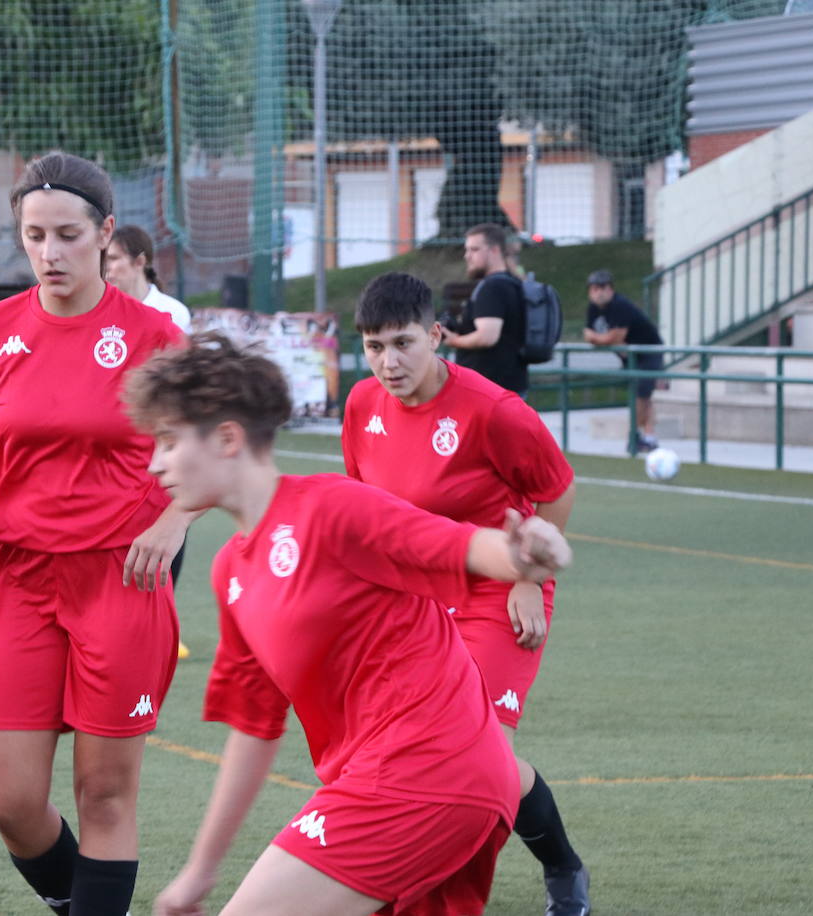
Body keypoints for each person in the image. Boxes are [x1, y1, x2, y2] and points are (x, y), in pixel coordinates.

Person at [126, 334, 573, 916]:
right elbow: (255, 729)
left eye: (168, 441)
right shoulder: (231, 570)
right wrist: (199, 871)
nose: (154, 462)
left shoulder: (332, 508)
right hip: (401, 781)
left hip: (426, 773)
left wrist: (523, 557)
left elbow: (457, 545)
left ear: (228, 438)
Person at [0, 151, 192, 916]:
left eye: (68, 234)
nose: (49, 253)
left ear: (105, 233)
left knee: (104, 792)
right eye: (34, 235)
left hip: (120, 578)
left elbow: (211, 448)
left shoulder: (154, 339)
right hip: (17, 579)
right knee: (8, 799)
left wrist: (175, 522)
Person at [342, 273, 590, 916]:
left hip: (496, 594)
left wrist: (531, 581)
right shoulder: (362, 406)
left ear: (436, 335)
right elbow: (368, 509)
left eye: (403, 343)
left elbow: (557, 491)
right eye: (373, 347)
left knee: (477, 755)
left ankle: (561, 866)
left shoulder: (495, 410)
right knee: (405, 751)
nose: (389, 363)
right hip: (410, 602)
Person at [104, 223, 194, 659]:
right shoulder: (107, 310)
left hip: (158, 449)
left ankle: (157, 629)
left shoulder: (169, 315)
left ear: (140, 261)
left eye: (115, 260)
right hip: (123, 457)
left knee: (161, 536)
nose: (108, 270)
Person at [583, 268, 665, 454]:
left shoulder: (620, 305)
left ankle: (636, 436)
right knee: (641, 396)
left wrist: (599, 338)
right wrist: (601, 338)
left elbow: (616, 336)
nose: (598, 292)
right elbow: (587, 334)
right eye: (594, 288)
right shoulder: (593, 308)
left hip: (648, 352)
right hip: (630, 356)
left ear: (611, 289)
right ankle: (648, 436)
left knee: (641, 396)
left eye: (603, 287)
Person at [441, 223, 529, 396]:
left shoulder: (492, 287)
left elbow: (487, 336)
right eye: (467, 250)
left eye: (474, 250)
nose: (467, 256)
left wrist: (454, 340)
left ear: (494, 250)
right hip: (508, 386)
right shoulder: (513, 283)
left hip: (491, 391)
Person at [104, 225, 192, 333]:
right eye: (102, 260)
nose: (105, 267)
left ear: (140, 261)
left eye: (113, 258)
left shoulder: (174, 312)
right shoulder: (100, 313)